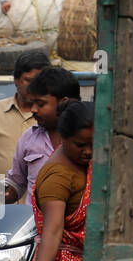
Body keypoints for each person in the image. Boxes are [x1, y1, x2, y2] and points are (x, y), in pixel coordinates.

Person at [23, 100, 93, 261]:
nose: (88, 151)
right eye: (80, 145)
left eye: (93, 144)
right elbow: (52, 231)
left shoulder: (90, 165)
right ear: (63, 138)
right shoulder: (57, 175)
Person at [5, 67, 79, 204]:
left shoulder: (86, 140)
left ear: (63, 103)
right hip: (34, 224)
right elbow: (16, 183)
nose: (33, 109)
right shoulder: (29, 138)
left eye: (40, 104)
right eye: (32, 103)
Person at [0, 50, 48, 184]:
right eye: (29, 80)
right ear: (16, 80)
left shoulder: (50, 117)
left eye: (40, 81)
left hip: (34, 201)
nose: (35, 86)